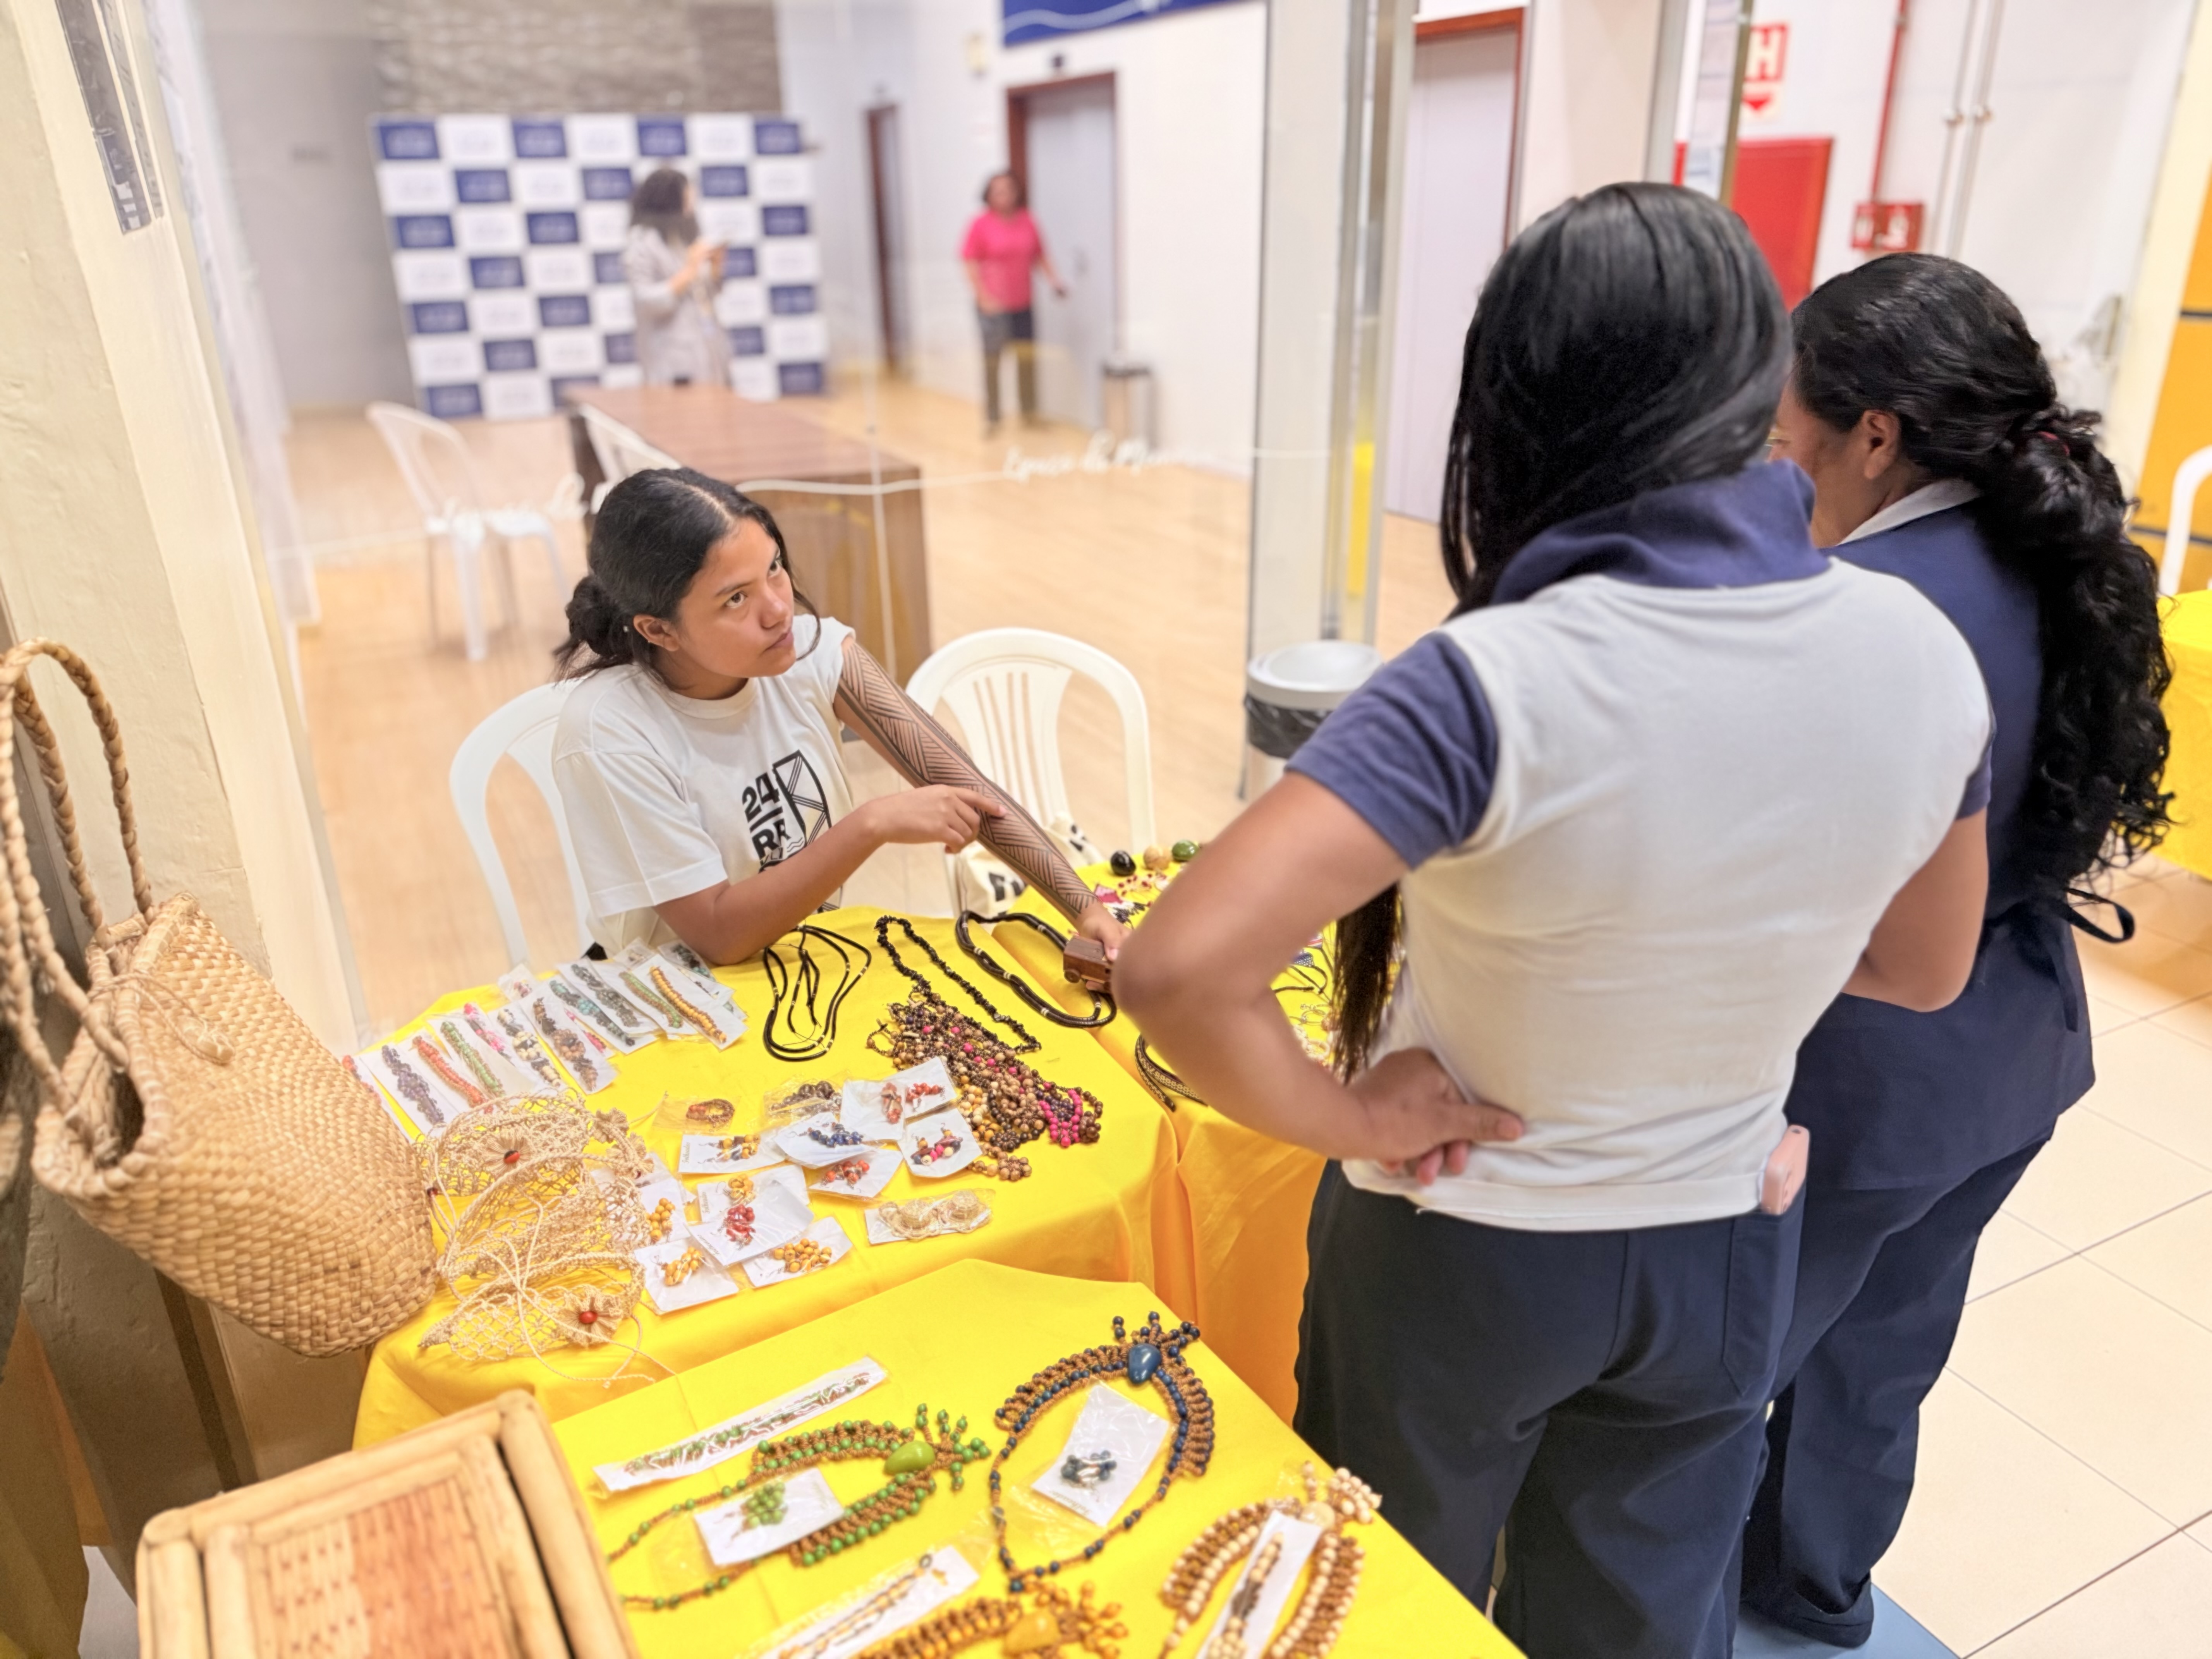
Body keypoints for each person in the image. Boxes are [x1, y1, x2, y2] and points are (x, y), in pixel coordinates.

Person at [1114, 184, 1995, 1659]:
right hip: (1723, 1232)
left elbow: (1178, 962)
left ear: (1512, 400)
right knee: (1637, 1621)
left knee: (1392, 1603)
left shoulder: (1495, 678)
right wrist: (1723, 972)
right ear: (1763, 391)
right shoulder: (1920, 653)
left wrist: (1348, 1119)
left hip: (1469, 1236)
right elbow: (1922, 966)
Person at [1740, 256, 2171, 1648]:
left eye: (1786, 424)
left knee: (1723, 1368)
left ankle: (1668, 1607)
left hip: (1866, 1076)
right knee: (1880, 1359)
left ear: (1875, 433)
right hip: (2015, 1051)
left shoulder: (1866, 609)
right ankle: (1813, 1596)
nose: (1775, 449)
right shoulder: (2068, 558)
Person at [550, 467, 1123, 964]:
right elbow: (719, 937)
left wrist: (1087, 911)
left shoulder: (813, 651)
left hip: (808, 960)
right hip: (679, 1000)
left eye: (774, 569)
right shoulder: (610, 730)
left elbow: (965, 786)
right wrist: (870, 826)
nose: (779, 609)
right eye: (735, 599)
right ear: (658, 629)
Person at [960, 171, 1066, 433]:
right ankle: (993, 418)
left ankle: (1029, 413)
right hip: (993, 305)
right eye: (998, 191)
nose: (1005, 196)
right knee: (993, 362)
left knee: (1026, 359)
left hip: (1023, 302)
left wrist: (1055, 281)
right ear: (989, 195)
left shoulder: (1028, 221)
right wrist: (982, 296)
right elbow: (970, 261)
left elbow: (1041, 255)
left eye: (1009, 190)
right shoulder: (980, 224)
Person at [623, 168, 728, 388]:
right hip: (671, 354)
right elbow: (646, 301)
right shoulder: (641, 242)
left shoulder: (682, 235)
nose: (691, 207)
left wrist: (715, 266)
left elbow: (704, 293)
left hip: (706, 344)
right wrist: (691, 268)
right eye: (687, 199)